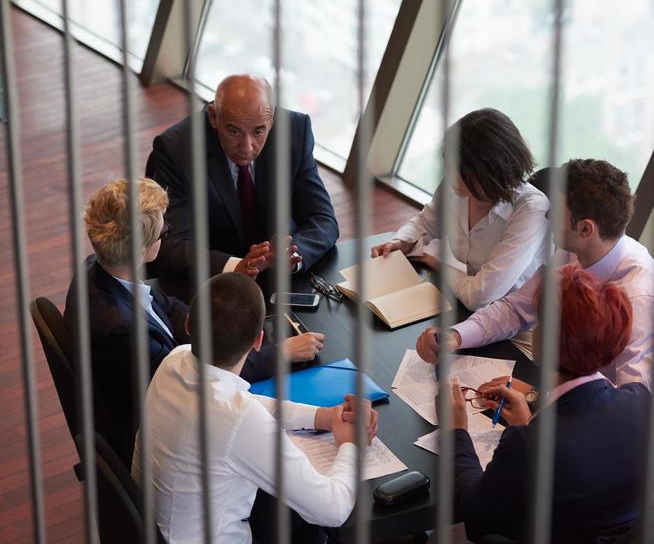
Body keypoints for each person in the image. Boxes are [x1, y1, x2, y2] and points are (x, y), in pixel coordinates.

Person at [132, 273, 415, 544]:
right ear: (260, 340)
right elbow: (335, 507)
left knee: (290, 515)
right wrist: (349, 445)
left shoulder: (175, 361)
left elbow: (246, 402)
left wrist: (319, 418)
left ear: (189, 325)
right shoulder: (234, 418)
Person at [447, 264, 650, 544]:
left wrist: (457, 433)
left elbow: (473, 508)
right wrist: (533, 415)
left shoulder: (529, 445)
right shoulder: (640, 402)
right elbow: (585, 440)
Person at [65, 179, 325, 468]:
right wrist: (281, 353)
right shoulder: (122, 330)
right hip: (159, 440)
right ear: (142, 248)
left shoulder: (99, 269)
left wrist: (216, 319)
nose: (165, 236)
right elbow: (197, 381)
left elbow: (164, 305)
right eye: (164, 231)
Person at [417, 158, 654, 388]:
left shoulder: (637, 296)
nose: (548, 217)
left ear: (585, 228)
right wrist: (456, 336)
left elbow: (631, 400)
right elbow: (517, 309)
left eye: (557, 212)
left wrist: (539, 399)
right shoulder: (574, 251)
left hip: (588, 409)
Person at [147, 74, 339, 278]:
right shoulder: (177, 149)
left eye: (258, 132)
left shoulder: (294, 132)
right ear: (213, 117)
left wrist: (291, 256)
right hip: (212, 277)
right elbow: (169, 243)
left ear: (272, 119)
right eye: (234, 132)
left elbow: (323, 219)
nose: (247, 147)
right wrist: (236, 266)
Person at [372, 108, 549, 310]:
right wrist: (401, 240)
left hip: (517, 321)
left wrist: (437, 263)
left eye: (462, 171)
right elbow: (426, 222)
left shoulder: (531, 209)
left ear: (492, 170)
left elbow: (480, 295)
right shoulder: (458, 185)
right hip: (468, 305)